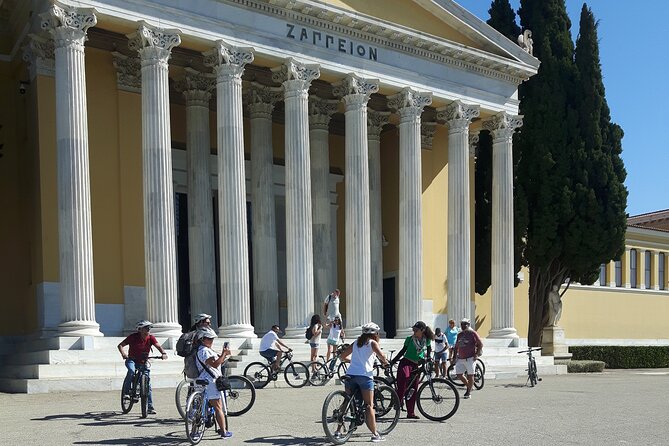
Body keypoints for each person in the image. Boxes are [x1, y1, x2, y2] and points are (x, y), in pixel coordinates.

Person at [338, 322, 389, 443]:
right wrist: (386, 363)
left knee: (347, 401)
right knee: (369, 405)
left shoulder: (356, 342)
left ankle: (338, 431)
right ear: (375, 334)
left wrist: (353, 362)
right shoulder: (372, 343)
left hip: (350, 374)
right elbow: (381, 356)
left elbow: (342, 356)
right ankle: (375, 434)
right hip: (364, 376)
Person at [117, 320, 168, 415]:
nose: (148, 329)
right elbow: (120, 345)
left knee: (147, 384)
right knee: (131, 371)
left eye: (149, 328)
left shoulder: (151, 338)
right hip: (131, 360)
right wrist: (123, 354)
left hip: (143, 362)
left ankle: (150, 407)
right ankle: (127, 392)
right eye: (146, 328)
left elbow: (158, 346)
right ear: (140, 329)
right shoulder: (133, 337)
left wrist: (163, 353)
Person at [196, 326, 233, 439]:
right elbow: (215, 364)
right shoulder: (205, 351)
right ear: (202, 339)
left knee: (199, 408)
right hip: (210, 381)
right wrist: (223, 353)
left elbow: (217, 362)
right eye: (209, 339)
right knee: (218, 407)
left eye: (212, 339)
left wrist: (224, 355)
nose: (211, 341)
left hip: (203, 380)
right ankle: (223, 431)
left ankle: (194, 431)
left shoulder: (203, 350)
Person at [391, 321, 433, 419]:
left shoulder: (426, 340)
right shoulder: (409, 339)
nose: (414, 331)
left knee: (413, 389)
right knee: (403, 380)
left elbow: (429, 349)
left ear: (422, 330)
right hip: (406, 363)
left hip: (416, 365)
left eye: (416, 330)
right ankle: (398, 402)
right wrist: (393, 361)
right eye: (413, 329)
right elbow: (403, 351)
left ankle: (411, 413)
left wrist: (429, 358)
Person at [452, 318, 483, 399]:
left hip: (470, 358)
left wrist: (476, 354)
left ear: (468, 325)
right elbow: (456, 347)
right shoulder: (459, 335)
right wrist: (454, 357)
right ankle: (469, 386)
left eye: (465, 324)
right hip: (461, 358)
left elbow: (480, 344)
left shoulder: (473, 333)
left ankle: (468, 392)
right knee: (459, 374)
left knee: (470, 375)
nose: (463, 326)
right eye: (462, 324)